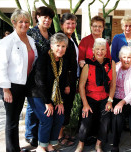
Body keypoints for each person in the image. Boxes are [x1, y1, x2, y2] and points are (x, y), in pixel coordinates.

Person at [0, 9, 38, 152]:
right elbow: (1, 66)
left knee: (17, 117)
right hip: (11, 86)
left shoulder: (30, 40)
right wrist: (6, 89)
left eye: (26, 21)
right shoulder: (8, 41)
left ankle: (15, 147)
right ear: (14, 23)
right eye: (21, 21)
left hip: (23, 85)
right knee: (12, 120)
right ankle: (12, 150)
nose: (24, 24)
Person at [26, 33, 68, 152]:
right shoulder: (44, 58)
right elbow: (40, 82)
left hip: (53, 94)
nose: (60, 49)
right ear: (51, 46)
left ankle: (50, 143)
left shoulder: (62, 61)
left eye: (63, 46)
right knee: (47, 117)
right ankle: (41, 146)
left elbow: (62, 82)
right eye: (58, 45)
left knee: (59, 115)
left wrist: (60, 101)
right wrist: (47, 102)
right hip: (37, 93)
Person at [75, 38, 116, 152]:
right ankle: (81, 143)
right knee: (86, 118)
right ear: (93, 51)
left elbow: (113, 84)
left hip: (105, 98)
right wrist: (85, 104)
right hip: (90, 98)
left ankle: (99, 144)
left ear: (106, 51)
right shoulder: (88, 65)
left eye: (103, 49)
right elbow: (81, 86)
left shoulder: (111, 63)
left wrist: (110, 100)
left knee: (106, 119)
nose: (100, 51)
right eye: (97, 49)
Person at [25, 6, 55, 147]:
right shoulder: (31, 33)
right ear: (38, 17)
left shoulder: (51, 34)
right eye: (44, 17)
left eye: (49, 18)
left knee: (39, 106)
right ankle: (30, 134)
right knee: (32, 107)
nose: (47, 20)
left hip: (45, 75)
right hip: (32, 74)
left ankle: (37, 133)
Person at [111, 46, 131, 152]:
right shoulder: (116, 67)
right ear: (120, 58)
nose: (126, 60)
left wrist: (121, 103)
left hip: (128, 100)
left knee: (117, 115)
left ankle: (115, 144)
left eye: (129, 57)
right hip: (114, 98)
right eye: (124, 57)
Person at [58, 12, 79, 146]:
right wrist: (66, 84)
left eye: (73, 23)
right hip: (64, 82)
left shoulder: (71, 38)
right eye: (68, 23)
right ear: (62, 25)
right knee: (62, 108)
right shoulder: (61, 38)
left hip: (71, 80)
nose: (71, 26)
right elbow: (62, 64)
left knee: (67, 107)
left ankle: (61, 132)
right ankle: (59, 137)